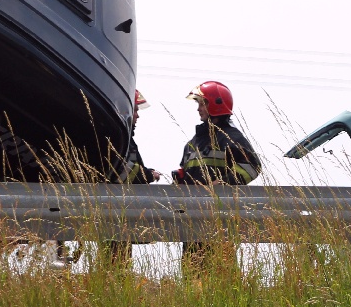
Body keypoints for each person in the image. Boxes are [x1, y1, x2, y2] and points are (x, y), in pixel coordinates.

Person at [173, 81, 261, 275]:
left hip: (220, 223)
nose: (198, 109)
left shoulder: (230, 138)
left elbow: (253, 166)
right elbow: (186, 174)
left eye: (202, 103)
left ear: (215, 104)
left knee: (223, 280)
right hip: (192, 223)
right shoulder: (192, 143)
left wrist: (225, 183)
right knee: (191, 280)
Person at [105, 90, 159, 268]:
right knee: (116, 265)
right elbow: (118, 171)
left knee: (119, 264)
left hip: (122, 213)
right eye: (135, 110)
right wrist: (147, 175)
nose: (137, 116)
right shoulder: (118, 138)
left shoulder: (126, 139)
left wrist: (145, 172)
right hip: (115, 213)